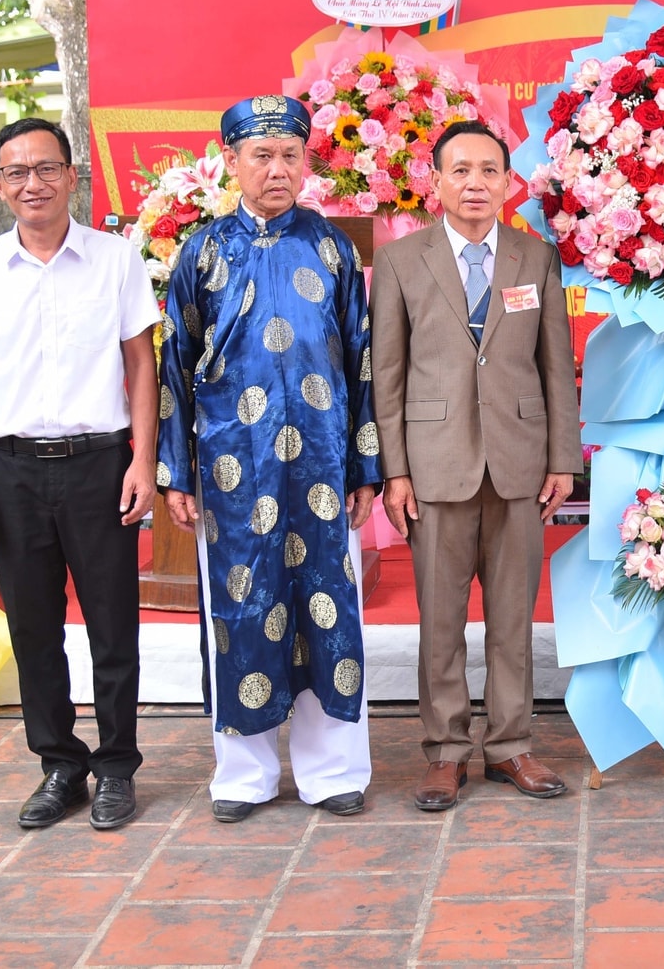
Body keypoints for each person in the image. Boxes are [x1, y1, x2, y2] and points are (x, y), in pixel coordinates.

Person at [156, 95, 380, 822]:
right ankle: (243, 776)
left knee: (327, 610)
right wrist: (175, 471)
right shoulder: (201, 252)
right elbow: (174, 367)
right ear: (232, 161)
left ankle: (332, 770)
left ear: (306, 161)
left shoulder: (333, 248)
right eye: (262, 155)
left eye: (290, 154)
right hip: (233, 468)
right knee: (241, 609)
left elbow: (364, 363)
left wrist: (364, 466)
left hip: (322, 466)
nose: (277, 169)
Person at [0, 118, 158, 831]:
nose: (32, 183)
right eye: (17, 172)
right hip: (12, 470)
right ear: (0, 185)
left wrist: (143, 460)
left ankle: (117, 764)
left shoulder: (115, 258)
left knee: (112, 624)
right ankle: (60, 763)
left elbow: (141, 364)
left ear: (71, 175)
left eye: (45, 168)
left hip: (101, 463)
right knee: (33, 627)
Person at [369, 120, 581, 812]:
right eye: (460, 170)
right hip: (435, 465)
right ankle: (445, 751)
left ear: (509, 182)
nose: (475, 184)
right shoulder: (401, 262)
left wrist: (563, 458)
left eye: (489, 170)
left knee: (513, 618)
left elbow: (556, 365)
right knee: (441, 620)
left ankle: (511, 744)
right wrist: (396, 472)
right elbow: (388, 375)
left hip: (520, 463)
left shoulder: (535, 258)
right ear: (435, 182)